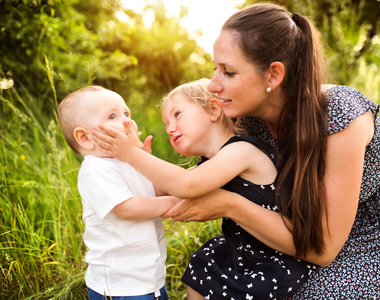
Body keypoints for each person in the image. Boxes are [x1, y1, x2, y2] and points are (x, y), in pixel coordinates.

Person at [161, 3, 380, 299]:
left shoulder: (341, 116)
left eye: (228, 72)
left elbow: (323, 248)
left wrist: (230, 205)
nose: (213, 85)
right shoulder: (248, 116)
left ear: (273, 75)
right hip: (303, 227)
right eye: (214, 68)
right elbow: (202, 166)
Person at [92, 78, 317, 299]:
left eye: (177, 115)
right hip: (245, 251)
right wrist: (141, 167)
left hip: (275, 257)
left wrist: (132, 155)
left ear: (213, 109)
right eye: (166, 124)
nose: (170, 129)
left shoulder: (242, 149)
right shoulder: (210, 165)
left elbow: (186, 184)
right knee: (204, 261)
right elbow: (172, 191)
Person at [58, 86, 179, 300]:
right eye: (112, 116)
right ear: (85, 137)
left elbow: (154, 193)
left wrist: (147, 164)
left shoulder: (129, 161)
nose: (126, 121)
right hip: (119, 284)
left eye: (126, 113)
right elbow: (127, 207)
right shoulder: (96, 169)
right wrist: (175, 201)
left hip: (148, 276)